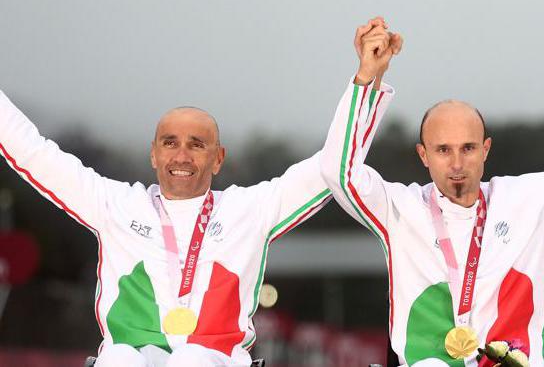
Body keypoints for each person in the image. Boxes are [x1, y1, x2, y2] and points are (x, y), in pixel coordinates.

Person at [0, 34, 393, 367]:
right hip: (133, 359)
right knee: (122, 359)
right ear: (153, 154)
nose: (182, 156)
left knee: (192, 359)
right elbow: (33, 152)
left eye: (197, 144)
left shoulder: (249, 210)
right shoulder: (114, 205)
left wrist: (365, 83)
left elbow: (332, 166)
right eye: (170, 143)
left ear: (218, 158)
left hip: (214, 360)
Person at [321, 18, 544, 367]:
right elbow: (336, 171)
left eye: (468, 148)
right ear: (423, 155)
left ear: (486, 149)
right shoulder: (399, 209)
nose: (456, 163)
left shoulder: (526, 199)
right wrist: (366, 79)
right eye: (443, 150)